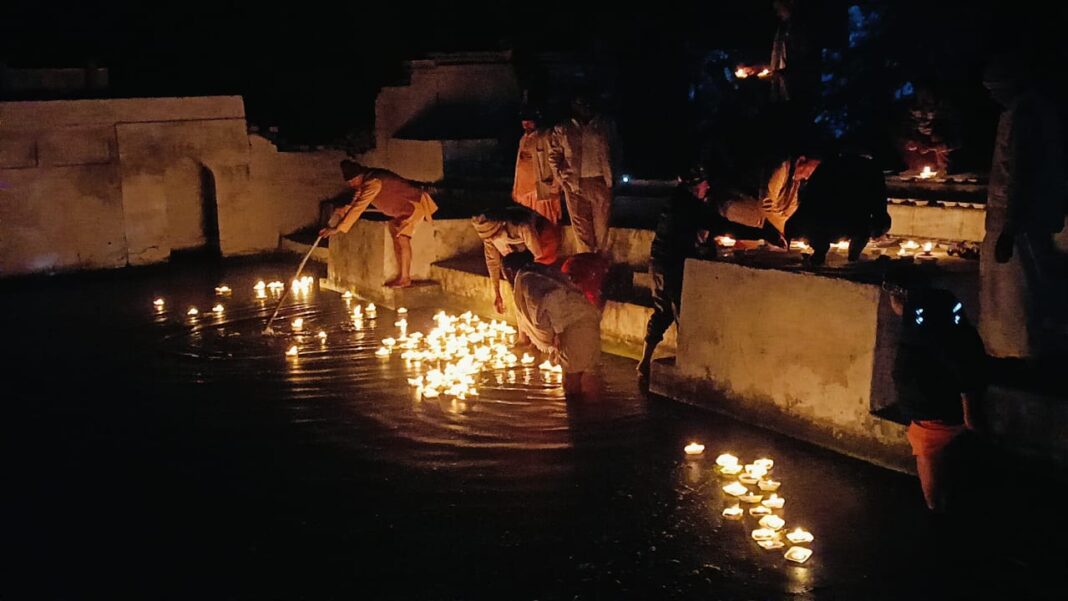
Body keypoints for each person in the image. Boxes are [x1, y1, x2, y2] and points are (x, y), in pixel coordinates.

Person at [979, 56, 1067, 359]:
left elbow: (1019, 172)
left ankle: (1018, 352)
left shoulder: (1025, 116)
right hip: (1025, 220)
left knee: (1016, 292)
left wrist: (1009, 229)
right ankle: (1017, 350)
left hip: (1018, 223)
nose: (992, 96)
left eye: (994, 89)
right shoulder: (1030, 111)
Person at [885, 269, 986, 512]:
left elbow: (963, 368)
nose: (893, 300)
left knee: (929, 457)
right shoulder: (925, 318)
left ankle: (936, 508)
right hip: (932, 405)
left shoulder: (928, 326)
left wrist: (970, 413)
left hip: (934, 409)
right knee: (942, 459)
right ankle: (945, 502)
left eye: (895, 293)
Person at [637, 166, 736, 379]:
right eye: (703, 183)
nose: (707, 187)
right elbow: (719, 224)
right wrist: (764, 233)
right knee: (683, 314)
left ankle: (645, 361)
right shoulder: (688, 205)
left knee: (662, 312)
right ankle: (687, 361)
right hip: (672, 265)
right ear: (694, 186)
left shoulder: (676, 201)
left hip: (659, 262)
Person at [319, 160, 438, 288]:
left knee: (403, 238)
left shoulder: (373, 182)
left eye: (353, 181)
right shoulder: (366, 182)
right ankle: (403, 276)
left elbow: (360, 206)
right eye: (349, 182)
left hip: (413, 207)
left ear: (360, 176)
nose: (351, 184)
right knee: (399, 238)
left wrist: (338, 229)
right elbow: (356, 202)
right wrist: (345, 210)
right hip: (402, 211)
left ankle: (405, 278)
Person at [503, 251, 602, 397]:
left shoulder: (528, 280)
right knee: (576, 380)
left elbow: (553, 297)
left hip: (575, 326)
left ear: (510, 272)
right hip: (582, 320)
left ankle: (576, 417)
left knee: (571, 385)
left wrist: (558, 334)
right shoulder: (536, 273)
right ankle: (580, 415)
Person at [786, 153, 891, 264]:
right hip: (853, 224)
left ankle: (820, 251)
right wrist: (879, 228)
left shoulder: (828, 165)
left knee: (816, 220)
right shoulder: (872, 169)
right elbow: (879, 205)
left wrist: (794, 225)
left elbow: (808, 198)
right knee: (871, 224)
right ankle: (853, 257)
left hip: (820, 223)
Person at [548, 94, 620, 254]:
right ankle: (585, 264)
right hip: (574, 186)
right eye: (580, 103)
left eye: (587, 102)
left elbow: (616, 150)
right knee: (582, 232)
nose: (585, 106)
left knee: (601, 230)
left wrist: (614, 177)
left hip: (600, 183)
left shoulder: (605, 125)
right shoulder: (564, 128)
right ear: (574, 106)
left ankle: (598, 265)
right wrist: (562, 179)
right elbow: (553, 156)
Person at [471, 205, 561, 315]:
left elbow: (538, 257)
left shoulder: (521, 226)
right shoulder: (489, 235)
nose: (492, 239)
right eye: (488, 238)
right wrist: (497, 293)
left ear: (502, 225)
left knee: (530, 280)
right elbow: (493, 262)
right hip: (520, 251)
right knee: (508, 267)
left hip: (542, 241)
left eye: (494, 235)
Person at [512, 108, 563, 225]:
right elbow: (518, 165)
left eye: (529, 120)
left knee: (545, 223)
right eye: (524, 121)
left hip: (541, 189)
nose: (526, 124)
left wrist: (556, 185)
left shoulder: (547, 136)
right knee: (528, 222)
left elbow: (555, 161)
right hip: (524, 191)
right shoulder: (523, 138)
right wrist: (516, 188)